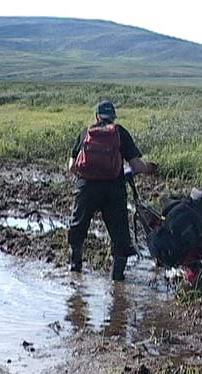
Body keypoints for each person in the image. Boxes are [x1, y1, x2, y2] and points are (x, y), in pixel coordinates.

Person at [67, 100, 157, 280]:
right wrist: (150, 168)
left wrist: (87, 177)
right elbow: (137, 166)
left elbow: (71, 166)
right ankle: (117, 280)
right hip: (114, 190)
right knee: (120, 236)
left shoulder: (86, 132)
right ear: (113, 117)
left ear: (96, 116)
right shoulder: (119, 133)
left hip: (86, 189)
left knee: (78, 230)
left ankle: (75, 269)